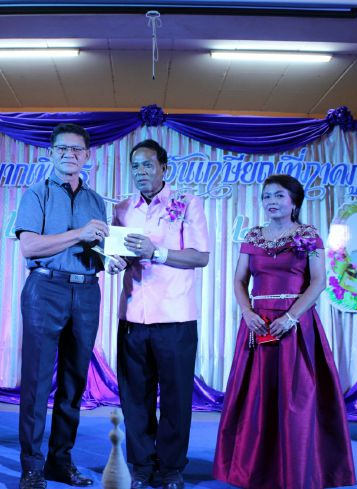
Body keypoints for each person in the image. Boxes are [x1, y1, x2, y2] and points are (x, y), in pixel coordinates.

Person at [213, 174, 356, 489]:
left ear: (294, 202)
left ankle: (299, 468)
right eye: (266, 196)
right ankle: (253, 468)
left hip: (295, 325)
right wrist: (247, 312)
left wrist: (291, 317)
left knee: (297, 397)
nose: (271, 201)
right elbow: (239, 280)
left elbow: (318, 281)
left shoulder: (309, 235)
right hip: (258, 323)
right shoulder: (253, 236)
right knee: (255, 396)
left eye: (279, 195)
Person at [108, 139, 209, 489]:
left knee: (176, 399)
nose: (141, 172)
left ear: (164, 168)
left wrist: (157, 252)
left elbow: (200, 256)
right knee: (135, 398)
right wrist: (113, 262)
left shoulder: (187, 203)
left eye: (148, 165)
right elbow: (119, 255)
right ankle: (140, 467)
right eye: (135, 166)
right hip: (132, 317)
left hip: (176, 317)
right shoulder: (122, 208)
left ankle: (171, 469)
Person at [14, 123, 109, 489]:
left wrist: (110, 259)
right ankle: (31, 467)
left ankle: (60, 462)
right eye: (62, 149)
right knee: (37, 383)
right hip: (45, 289)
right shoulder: (35, 194)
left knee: (74, 383)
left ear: (87, 156)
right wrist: (78, 234)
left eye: (76, 150)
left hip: (86, 293)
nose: (70, 155)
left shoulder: (96, 200)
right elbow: (30, 246)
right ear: (51, 153)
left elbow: (96, 248)